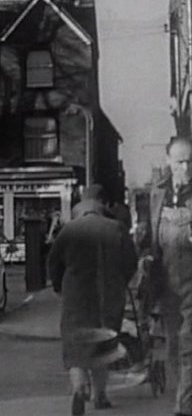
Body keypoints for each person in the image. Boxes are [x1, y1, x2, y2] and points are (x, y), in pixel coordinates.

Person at [48, 184, 138, 415]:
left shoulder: (68, 230)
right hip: (108, 296)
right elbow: (131, 262)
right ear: (104, 205)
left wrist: (59, 286)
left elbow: (53, 264)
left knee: (75, 347)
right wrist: (121, 282)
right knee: (103, 344)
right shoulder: (117, 228)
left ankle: (79, 388)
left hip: (76, 297)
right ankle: (100, 395)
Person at [135, 136, 192, 416]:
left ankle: (183, 406)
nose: (186, 168)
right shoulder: (156, 195)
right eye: (180, 162)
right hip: (168, 286)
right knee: (173, 346)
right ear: (169, 162)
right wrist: (144, 252)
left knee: (188, 347)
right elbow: (148, 239)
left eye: (190, 162)